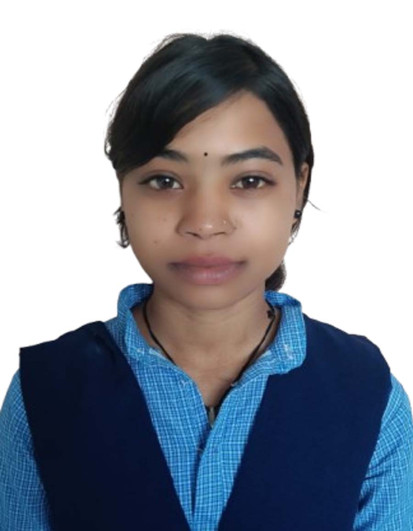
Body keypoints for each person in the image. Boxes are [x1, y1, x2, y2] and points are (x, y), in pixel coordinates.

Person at [1, 32, 412, 531]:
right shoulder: (45, 393)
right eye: (164, 181)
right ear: (123, 190)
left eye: (249, 180)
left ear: (299, 186)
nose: (204, 221)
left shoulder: (367, 395)